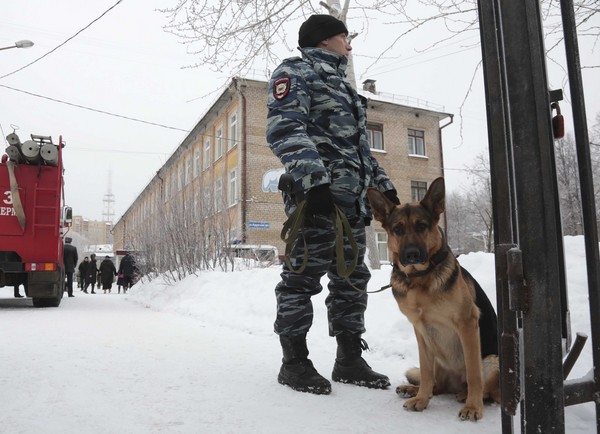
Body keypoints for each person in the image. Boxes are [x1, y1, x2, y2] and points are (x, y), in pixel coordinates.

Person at [266, 14, 400, 395]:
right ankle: (294, 363)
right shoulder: (296, 73)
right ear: (325, 40)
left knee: (352, 280)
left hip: (351, 206)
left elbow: (357, 152)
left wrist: (385, 189)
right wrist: (314, 182)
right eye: (345, 37)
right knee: (301, 279)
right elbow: (284, 129)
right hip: (317, 202)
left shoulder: (343, 87)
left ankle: (348, 359)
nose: (350, 45)